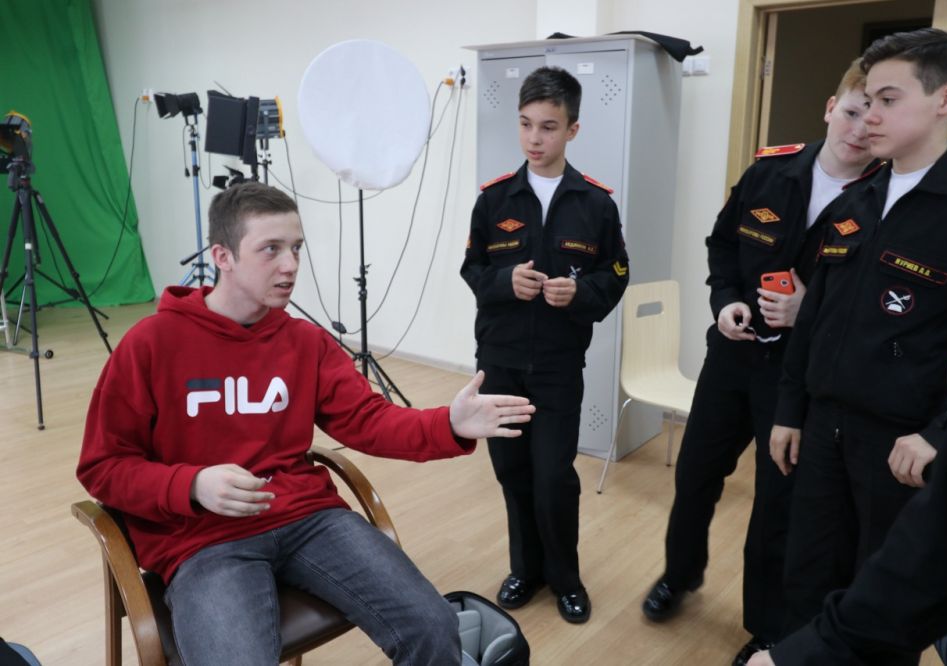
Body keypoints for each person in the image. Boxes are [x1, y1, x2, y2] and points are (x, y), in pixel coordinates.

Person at [76, 182, 537, 666]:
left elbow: (368, 420)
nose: (291, 265)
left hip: (309, 519)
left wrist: (450, 424)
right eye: (271, 249)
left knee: (434, 625)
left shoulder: (306, 342)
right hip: (203, 541)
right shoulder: (151, 343)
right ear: (222, 256)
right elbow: (103, 466)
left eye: (296, 248)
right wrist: (192, 484)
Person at [769, 27, 947, 645]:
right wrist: (790, 409)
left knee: (880, 599)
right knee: (805, 575)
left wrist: (940, 434)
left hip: (900, 443)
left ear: (946, 99)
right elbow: (813, 318)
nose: (869, 115)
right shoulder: (859, 196)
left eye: (888, 100)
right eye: (868, 99)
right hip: (821, 426)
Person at [640, 60, 875, 665]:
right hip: (732, 358)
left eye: (873, 117)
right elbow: (722, 245)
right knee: (695, 474)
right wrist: (725, 303)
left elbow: (871, 308)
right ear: (831, 107)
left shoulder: (882, 200)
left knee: (777, 503)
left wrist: (808, 311)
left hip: (798, 380)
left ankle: (766, 625)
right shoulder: (772, 169)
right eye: (852, 111)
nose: (859, 128)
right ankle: (680, 574)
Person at [460, 66, 629, 624]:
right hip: (501, 362)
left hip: (558, 364)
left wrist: (580, 294)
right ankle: (524, 570)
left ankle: (565, 578)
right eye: (526, 124)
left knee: (554, 475)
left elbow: (616, 274)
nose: (534, 138)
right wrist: (504, 282)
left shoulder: (596, 204)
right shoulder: (494, 200)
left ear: (572, 130)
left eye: (549, 127)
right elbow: (472, 269)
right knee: (512, 470)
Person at [748, 320, 947, 666]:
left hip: (899, 425)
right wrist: (800, 653)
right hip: (827, 417)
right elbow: (944, 539)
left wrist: (939, 431)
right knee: (810, 568)